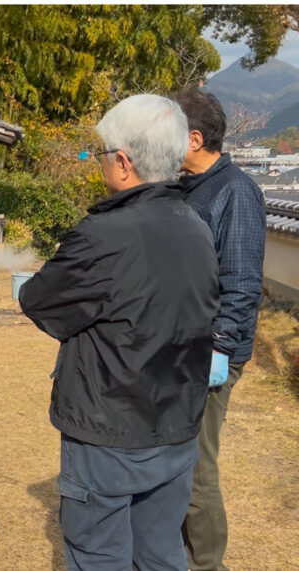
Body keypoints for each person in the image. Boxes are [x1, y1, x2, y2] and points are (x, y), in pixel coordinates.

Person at [19, 94, 219, 570]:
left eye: (104, 154)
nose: (102, 164)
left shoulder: (103, 234)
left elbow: (39, 300)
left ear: (124, 162)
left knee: (99, 556)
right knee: (161, 554)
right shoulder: (197, 226)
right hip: (177, 425)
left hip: (108, 431)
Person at [175, 87, 266, 571]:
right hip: (179, 348)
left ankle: (207, 563)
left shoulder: (236, 191)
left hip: (210, 354)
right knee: (175, 457)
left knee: (196, 463)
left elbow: (243, 283)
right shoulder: (186, 187)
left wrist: (221, 351)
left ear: (193, 138)